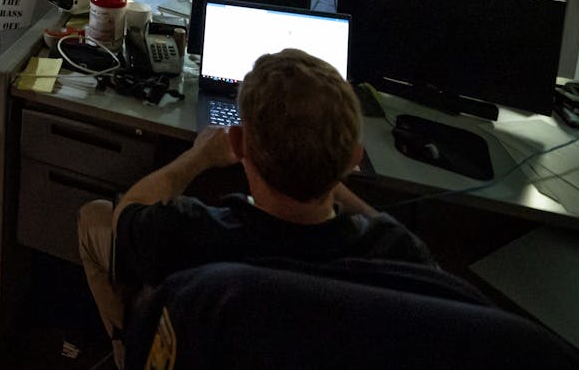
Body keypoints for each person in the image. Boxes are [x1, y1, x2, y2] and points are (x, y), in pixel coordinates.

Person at [77, 50, 434, 369]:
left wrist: (197, 157)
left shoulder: (191, 233)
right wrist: (324, 164)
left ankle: (126, 352)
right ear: (354, 159)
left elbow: (128, 211)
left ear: (237, 142)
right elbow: (389, 230)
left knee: (93, 215)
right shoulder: (399, 257)